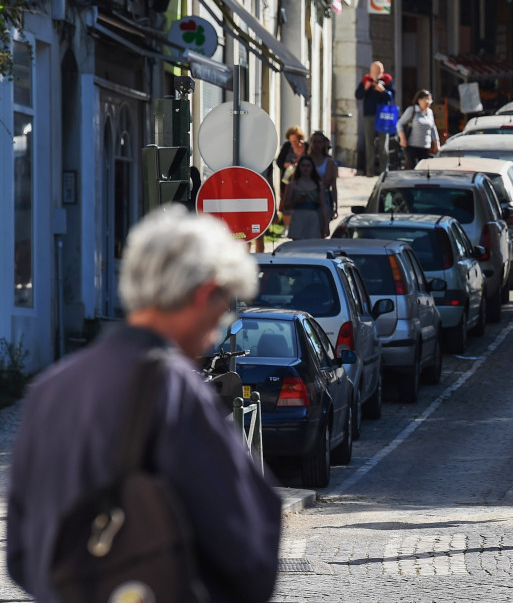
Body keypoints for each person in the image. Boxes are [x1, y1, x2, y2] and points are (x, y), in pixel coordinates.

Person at [6, 206, 281, 602]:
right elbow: (245, 541)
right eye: (221, 313)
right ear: (204, 295)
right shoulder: (171, 386)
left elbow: (20, 553)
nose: (214, 335)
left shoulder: (49, 388)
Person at [354, 61, 395, 176]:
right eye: (374, 71)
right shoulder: (366, 80)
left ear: (382, 71)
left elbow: (392, 96)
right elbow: (358, 95)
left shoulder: (387, 80)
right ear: (370, 71)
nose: (376, 73)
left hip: (383, 115)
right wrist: (366, 88)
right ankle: (370, 170)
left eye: (378, 71)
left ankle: (384, 171)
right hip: (369, 114)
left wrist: (383, 90)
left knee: (383, 144)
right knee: (369, 143)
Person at [282, 155, 331, 239]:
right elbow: (286, 206)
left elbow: (323, 206)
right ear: (299, 167)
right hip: (298, 217)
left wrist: (326, 225)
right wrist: (297, 201)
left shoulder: (318, 185)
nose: (305, 168)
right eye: (303, 165)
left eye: (308, 165)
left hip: (313, 218)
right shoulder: (293, 185)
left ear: (312, 167)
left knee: (312, 245)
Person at [397, 89, 442, 170]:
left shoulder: (430, 112)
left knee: (423, 169)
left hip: (425, 146)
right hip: (412, 146)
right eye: (426, 100)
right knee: (413, 169)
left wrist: (436, 143)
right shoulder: (412, 110)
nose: (428, 102)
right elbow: (399, 123)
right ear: (419, 100)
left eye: (430, 100)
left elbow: (432, 128)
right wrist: (402, 138)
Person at [309, 131, 339, 222]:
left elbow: (332, 185)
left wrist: (336, 206)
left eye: (319, 142)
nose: (316, 145)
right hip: (308, 197)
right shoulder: (306, 160)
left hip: (324, 197)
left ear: (324, 144)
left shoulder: (329, 162)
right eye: (314, 142)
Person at [274, 125, 309, 197]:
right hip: (288, 181)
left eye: (295, 141)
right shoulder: (287, 146)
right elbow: (279, 161)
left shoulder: (307, 147)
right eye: (291, 141)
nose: (293, 143)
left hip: (304, 180)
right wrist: (286, 165)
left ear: (300, 138)